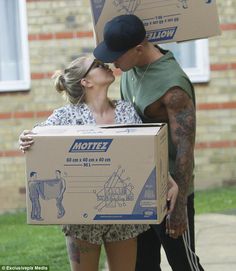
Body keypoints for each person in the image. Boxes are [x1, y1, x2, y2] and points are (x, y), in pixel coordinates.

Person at [19, 56, 178, 271]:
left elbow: (146, 153)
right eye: (95, 65)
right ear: (86, 82)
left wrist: (169, 182)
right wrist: (26, 138)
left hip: (124, 216)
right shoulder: (66, 116)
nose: (104, 63)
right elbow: (38, 138)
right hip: (82, 222)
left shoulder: (126, 111)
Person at [93, 14, 204, 271]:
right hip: (138, 186)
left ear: (139, 49)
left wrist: (179, 208)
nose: (113, 62)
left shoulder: (172, 87)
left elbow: (185, 149)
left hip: (170, 192)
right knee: (142, 264)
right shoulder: (133, 68)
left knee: (183, 263)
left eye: (117, 55)